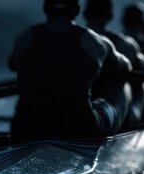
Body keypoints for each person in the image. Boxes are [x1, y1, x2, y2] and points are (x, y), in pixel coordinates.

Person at [9, 0, 133, 140]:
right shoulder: (95, 41)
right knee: (123, 85)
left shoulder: (26, 37)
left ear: (45, 9)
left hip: (25, 128)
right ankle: (127, 132)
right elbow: (125, 68)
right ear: (77, 11)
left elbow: (12, 64)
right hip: (80, 130)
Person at [83, 0, 144, 124]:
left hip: (81, 108)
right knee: (141, 86)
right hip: (105, 110)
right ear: (111, 16)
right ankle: (134, 114)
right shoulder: (122, 44)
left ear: (84, 14)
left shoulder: (75, 39)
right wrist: (139, 63)